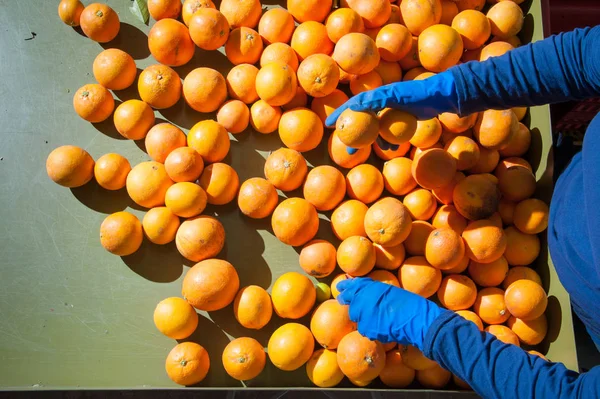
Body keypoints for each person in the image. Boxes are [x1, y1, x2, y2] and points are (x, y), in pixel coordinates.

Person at [326, 26, 600, 397]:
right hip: (561, 195)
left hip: (578, 318)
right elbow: (579, 58)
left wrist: (431, 329)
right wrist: (461, 90)